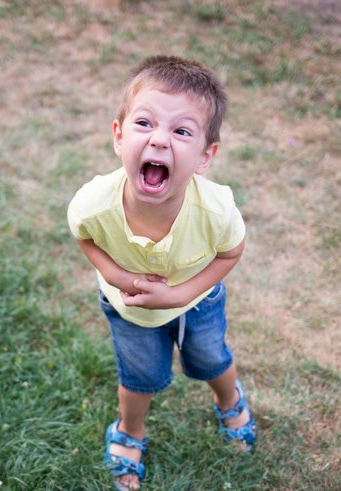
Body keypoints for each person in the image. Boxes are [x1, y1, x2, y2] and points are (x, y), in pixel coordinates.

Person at [67, 55, 257, 490]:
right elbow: (85, 237)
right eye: (144, 124)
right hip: (129, 309)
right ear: (118, 136)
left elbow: (231, 253)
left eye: (181, 131)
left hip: (198, 303)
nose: (158, 140)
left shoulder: (216, 211)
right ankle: (130, 432)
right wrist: (115, 274)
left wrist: (178, 295)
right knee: (139, 377)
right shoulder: (93, 203)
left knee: (211, 359)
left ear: (206, 156)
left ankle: (230, 401)